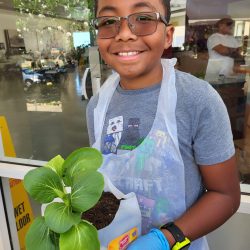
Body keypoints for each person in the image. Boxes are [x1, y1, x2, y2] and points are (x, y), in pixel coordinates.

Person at [86, 0, 240, 249]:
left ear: (168, 36)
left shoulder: (197, 100)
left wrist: (166, 239)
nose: (124, 34)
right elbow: (101, 186)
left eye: (144, 19)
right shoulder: (97, 106)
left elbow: (225, 196)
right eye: (108, 22)